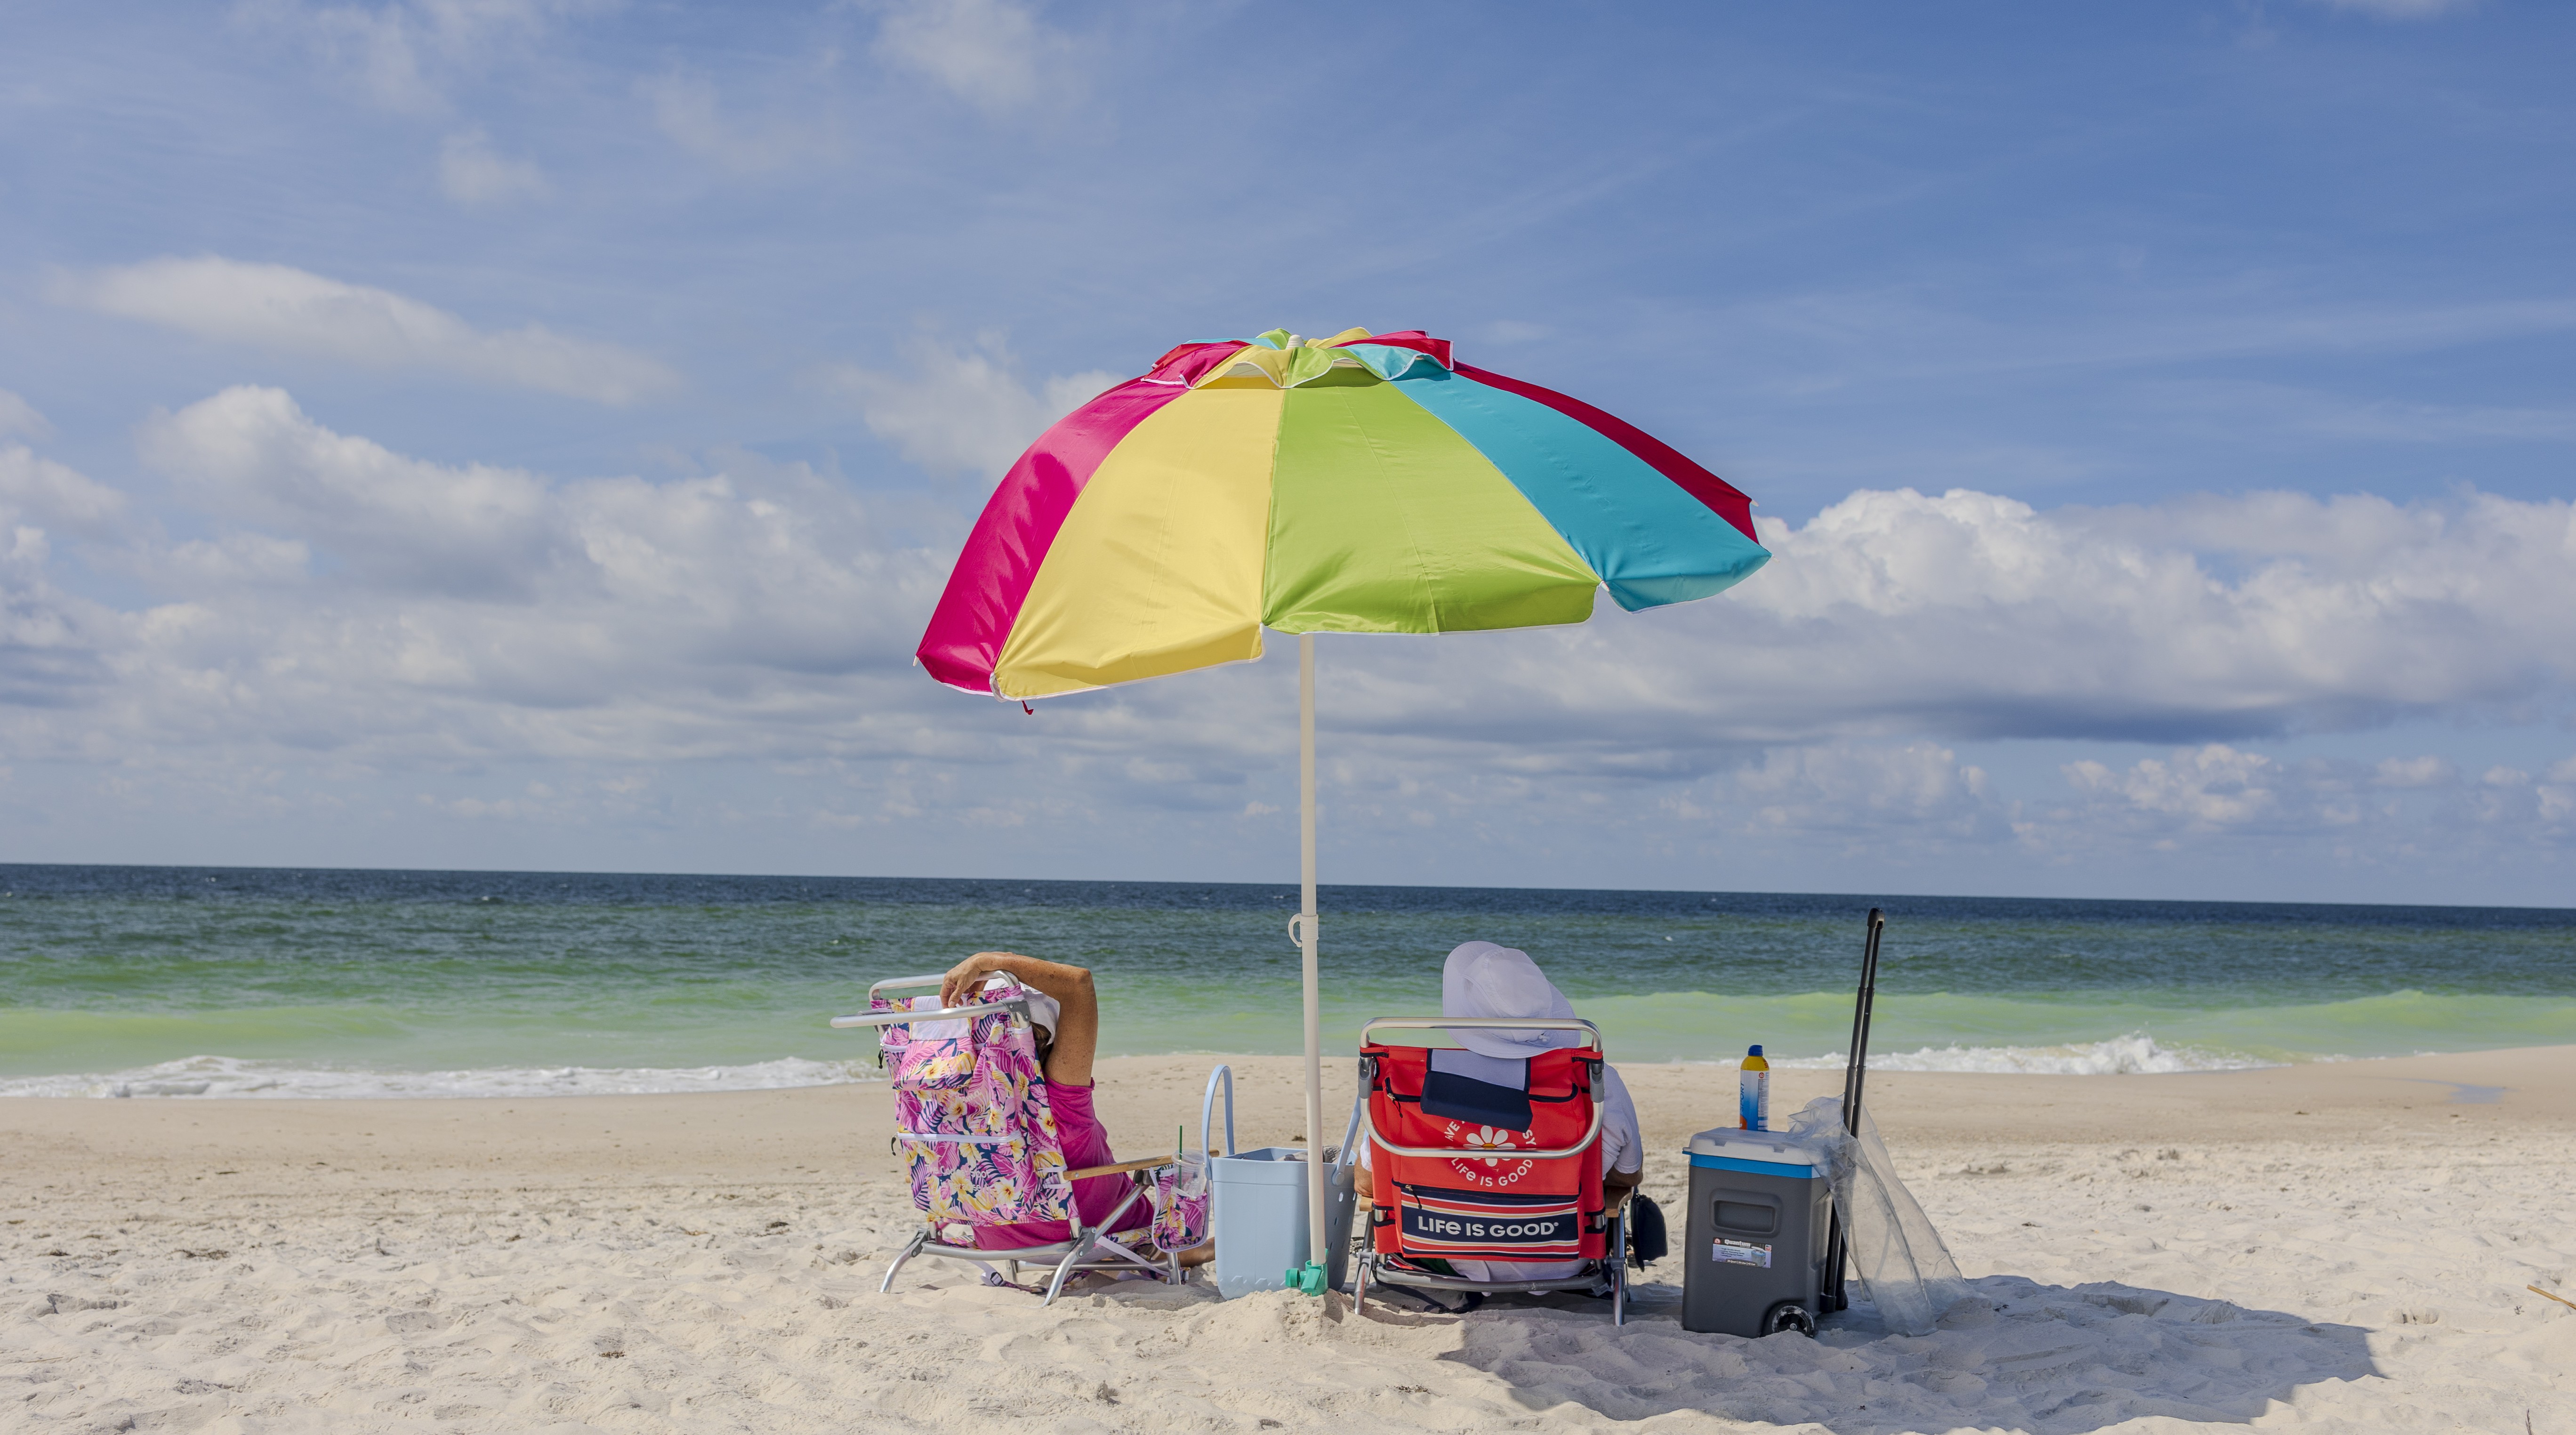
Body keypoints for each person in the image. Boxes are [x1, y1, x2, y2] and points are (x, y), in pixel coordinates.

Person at [1357, 940, 1643, 1284]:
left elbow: (1367, 1182)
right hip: (1561, 1257)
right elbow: (1628, 1176)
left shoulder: (1411, 1080)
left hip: (1433, 1250)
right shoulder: (1596, 1081)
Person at [933, 949, 1129, 1251]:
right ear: (1051, 1038)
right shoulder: (1061, 1096)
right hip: (1090, 1230)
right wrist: (986, 961)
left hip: (997, 1238)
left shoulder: (953, 1095)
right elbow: (1079, 983)